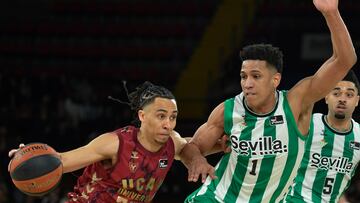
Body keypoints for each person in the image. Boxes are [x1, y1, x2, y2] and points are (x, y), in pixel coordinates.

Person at [180, 0, 357, 202]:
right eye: (243, 76)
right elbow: (193, 146)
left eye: (255, 76)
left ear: (276, 80)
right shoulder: (228, 110)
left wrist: (331, 13)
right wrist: (197, 160)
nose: (247, 83)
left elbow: (344, 60)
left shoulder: (296, 102)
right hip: (216, 198)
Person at [8, 81, 223, 203]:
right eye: (161, 116)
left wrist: (222, 146)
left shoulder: (171, 144)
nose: (168, 124)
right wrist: (29, 156)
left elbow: (189, 146)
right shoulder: (114, 143)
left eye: (173, 117)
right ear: (142, 116)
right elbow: (61, 160)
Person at [282, 70, 360, 202]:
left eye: (349, 95)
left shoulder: (358, 136)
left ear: (357, 100)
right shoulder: (309, 124)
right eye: (336, 93)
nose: (342, 99)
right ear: (326, 96)